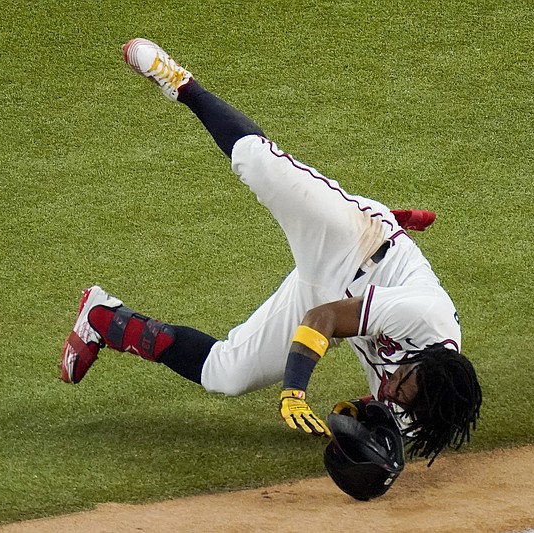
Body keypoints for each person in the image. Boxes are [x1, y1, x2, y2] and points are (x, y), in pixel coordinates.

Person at [60, 38, 482, 466]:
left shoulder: (421, 410)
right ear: (426, 361)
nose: (391, 389)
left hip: (330, 295)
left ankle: (102, 318)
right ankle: (181, 84)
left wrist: (353, 424)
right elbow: (324, 319)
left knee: (225, 374)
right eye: (402, 383)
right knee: (261, 166)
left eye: (402, 396)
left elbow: (373, 409)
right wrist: (295, 389)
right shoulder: (428, 317)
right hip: (352, 242)